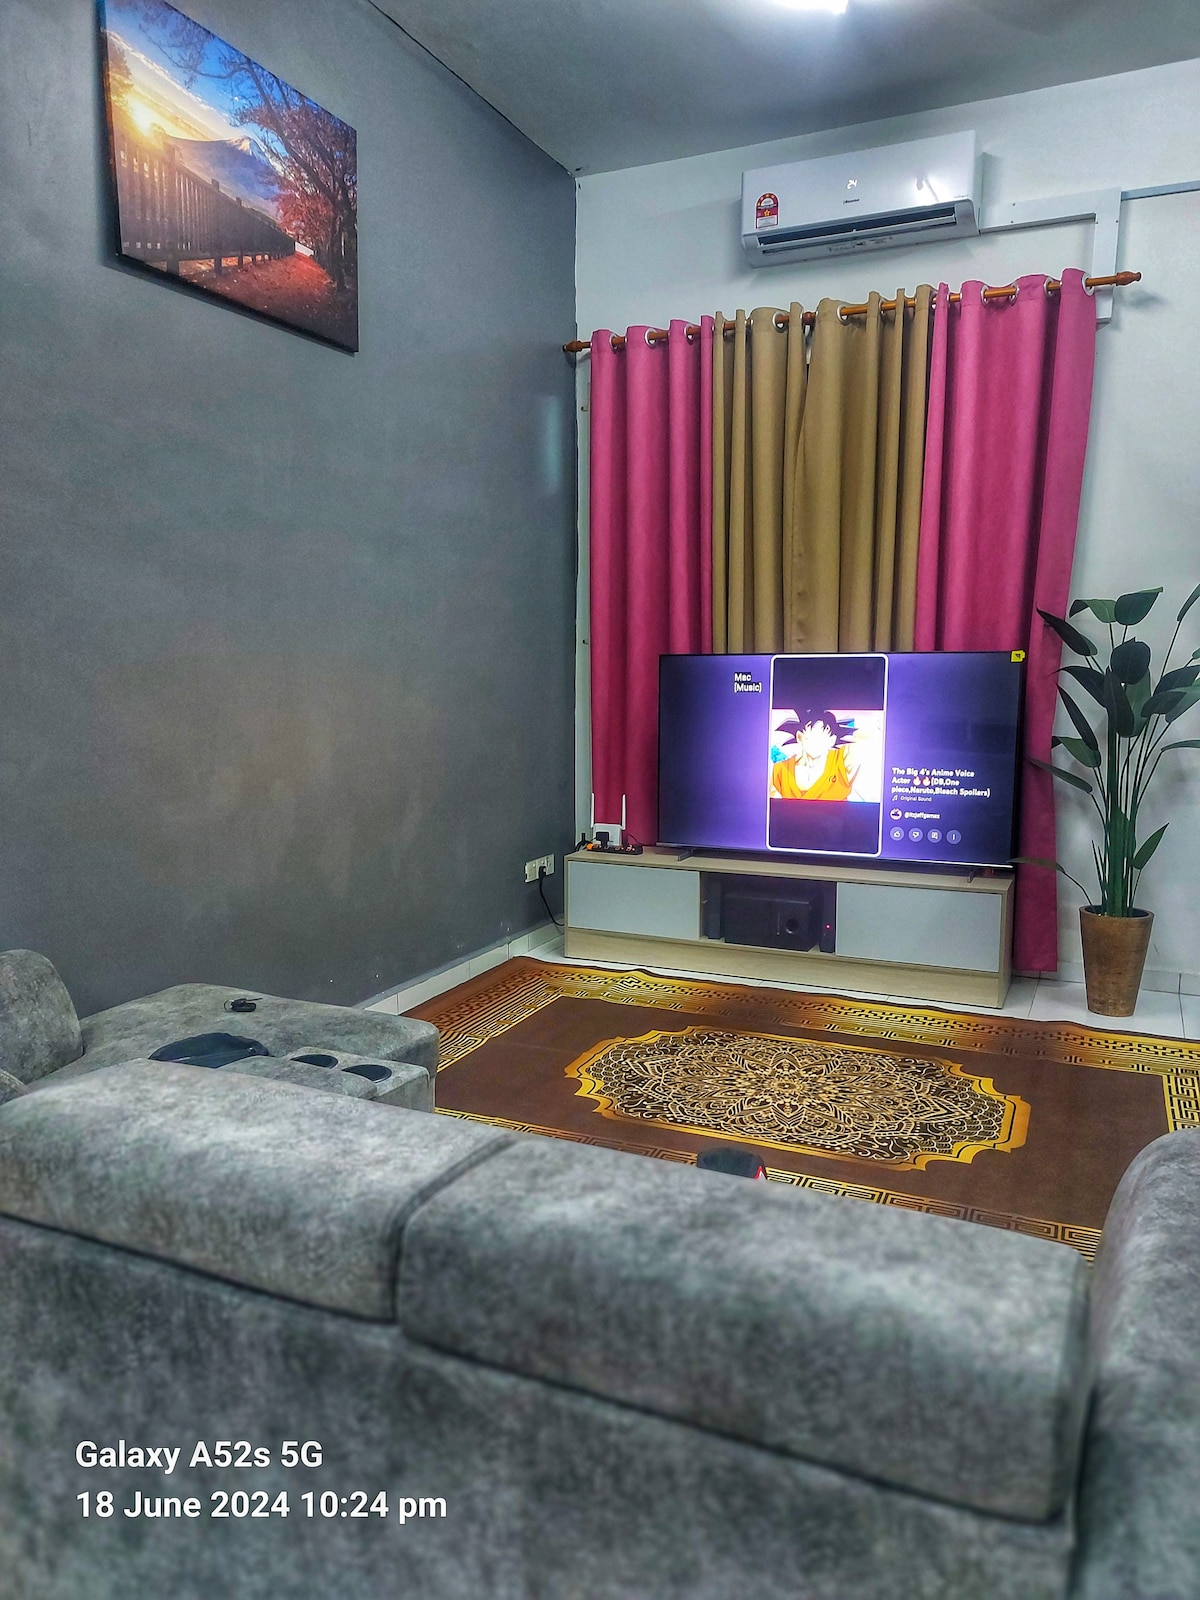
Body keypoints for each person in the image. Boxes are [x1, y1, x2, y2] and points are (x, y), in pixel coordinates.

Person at [770, 710, 862, 800]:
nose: (816, 743)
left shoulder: (840, 761)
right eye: (811, 737)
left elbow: (863, 739)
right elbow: (769, 803)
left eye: (822, 739)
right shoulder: (781, 770)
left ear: (832, 741)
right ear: (799, 737)